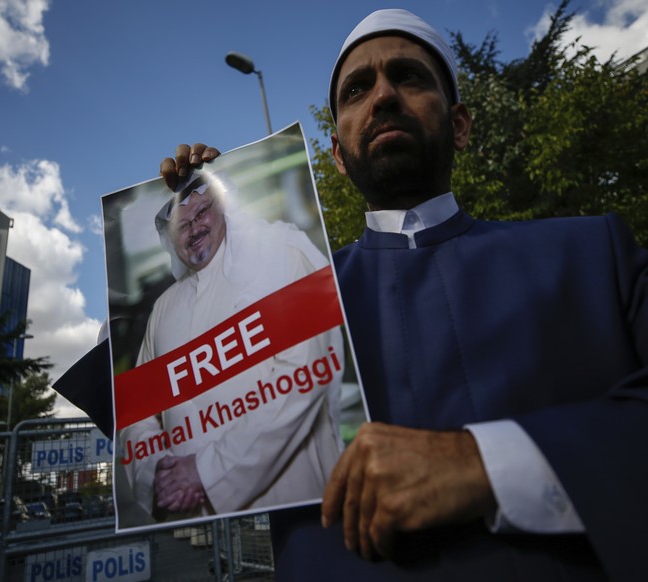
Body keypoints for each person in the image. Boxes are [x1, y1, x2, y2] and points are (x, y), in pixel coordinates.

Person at [159, 8, 648, 580]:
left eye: (409, 77)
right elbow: (158, 416)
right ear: (338, 157)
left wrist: (488, 466)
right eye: (357, 89)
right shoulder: (282, 294)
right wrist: (198, 252)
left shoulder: (594, 255)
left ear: (460, 125)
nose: (383, 95)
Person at [118, 169, 345, 524]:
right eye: (182, 225)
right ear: (169, 238)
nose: (194, 229)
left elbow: (304, 377)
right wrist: (157, 468)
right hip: (201, 526)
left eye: (202, 212)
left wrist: (206, 473)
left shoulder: (280, 254)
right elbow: (139, 414)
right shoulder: (162, 310)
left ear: (225, 208)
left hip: (300, 506)